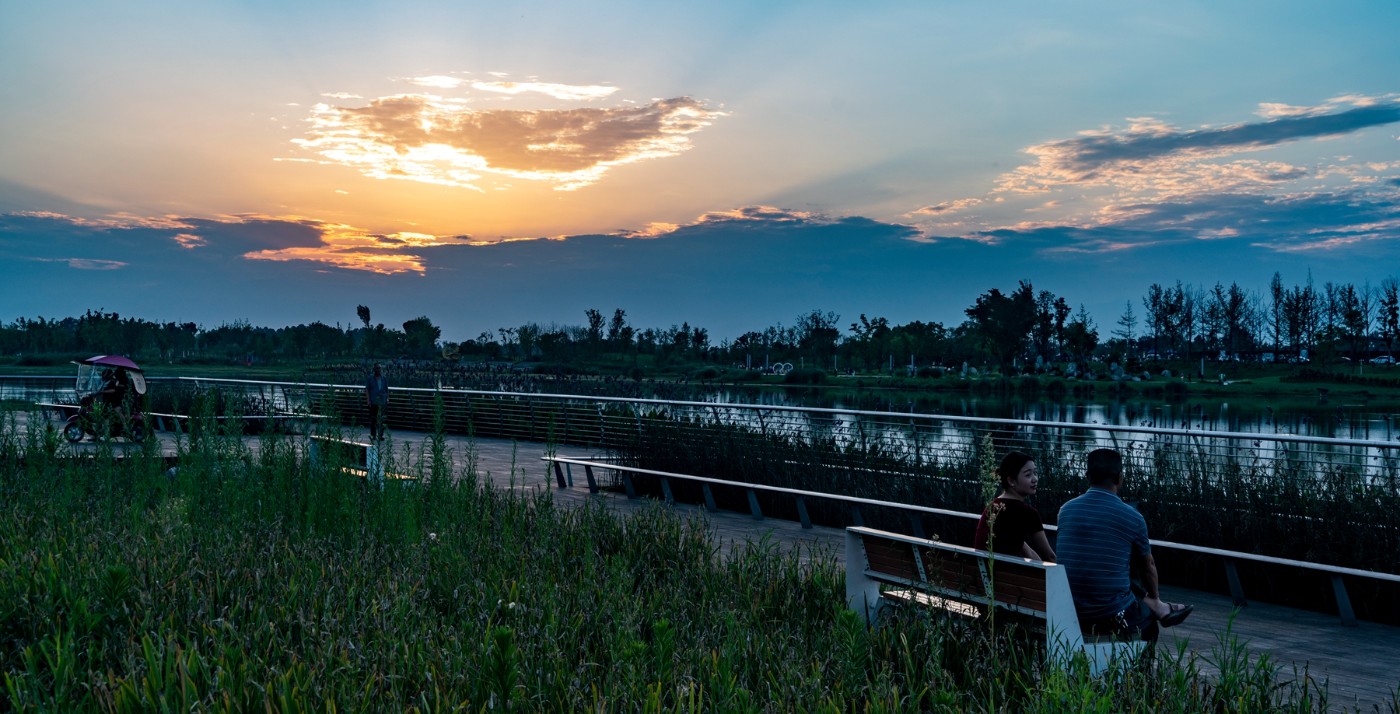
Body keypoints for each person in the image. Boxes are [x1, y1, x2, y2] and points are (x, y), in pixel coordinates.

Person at [1055, 448, 1192, 641]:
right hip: (1108, 614)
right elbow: (1148, 566)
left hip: (1067, 606)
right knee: (1148, 624)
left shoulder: (1065, 511)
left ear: (1087, 476)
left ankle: (1158, 606)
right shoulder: (1132, 517)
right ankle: (1157, 609)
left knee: (1118, 577)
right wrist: (1154, 595)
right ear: (1120, 478)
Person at [973, 452, 1056, 561]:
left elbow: (1023, 548)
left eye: (1035, 473)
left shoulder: (993, 507)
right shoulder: (1028, 513)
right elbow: (1050, 556)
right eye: (1028, 475)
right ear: (1011, 481)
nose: (1035, 479)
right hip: (1009, 576)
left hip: (988, 574)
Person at [365, 364, 389, 440]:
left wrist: (387, 398)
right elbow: (367, 389)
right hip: (373, 401)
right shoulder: (370, 379)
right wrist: (368, 400)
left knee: (382, 419)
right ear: (374, 369)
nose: (378, 370)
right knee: (373, 419)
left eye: (379, 368)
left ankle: (380, 435)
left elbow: (386, 389)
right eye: (377, 368)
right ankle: (373, 435)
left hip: (382, 401)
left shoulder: (384, 378)